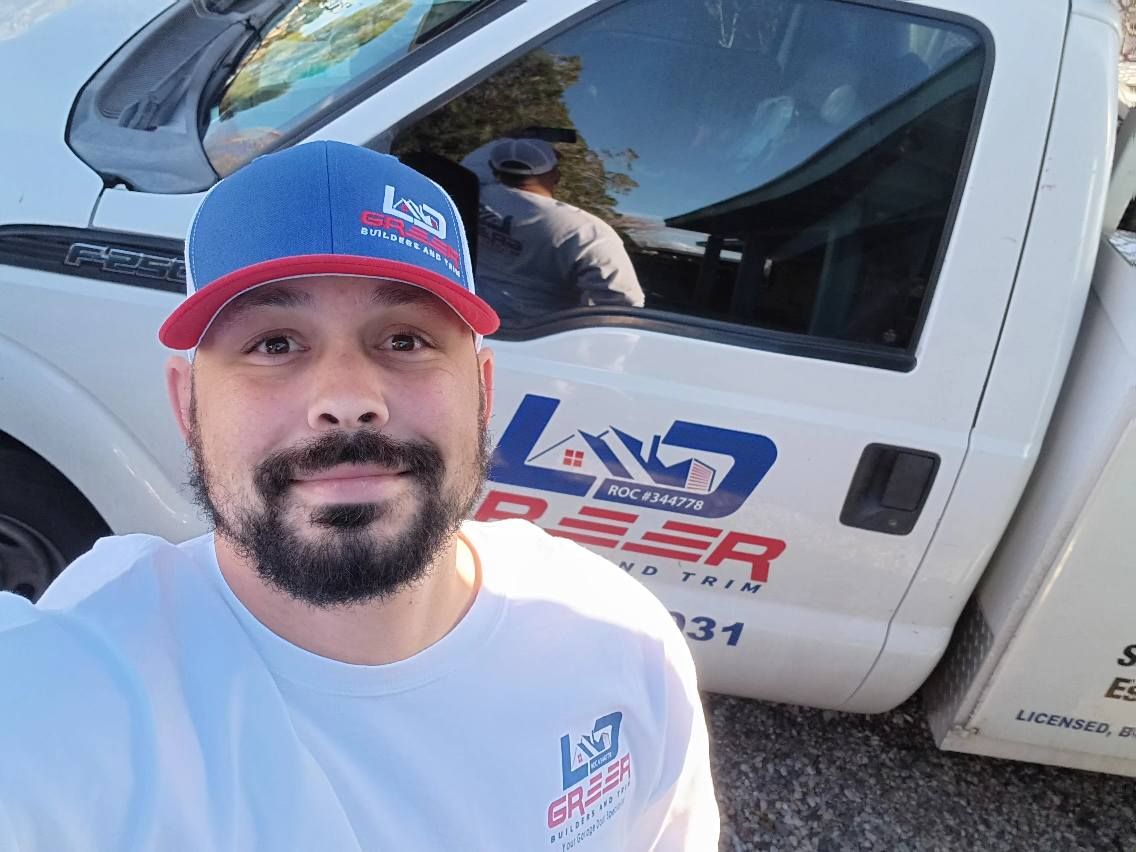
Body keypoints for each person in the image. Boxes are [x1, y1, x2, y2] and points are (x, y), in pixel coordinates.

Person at [0, 141, 718, 851]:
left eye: (404, 340)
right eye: (275, 344)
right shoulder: (70, 695)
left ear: (482, 392)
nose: (347, 399)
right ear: (188, 408)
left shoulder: (618, 637)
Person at [470, 137, 646, 323]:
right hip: (537, 333)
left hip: (465, 316)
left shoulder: (473, 194)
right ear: (556, 175)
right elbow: (624, 309)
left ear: (494, 169)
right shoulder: (586, 231)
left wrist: (513, 138)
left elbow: (472, 165)